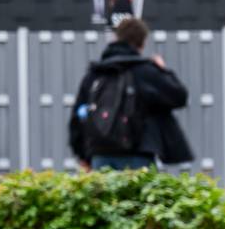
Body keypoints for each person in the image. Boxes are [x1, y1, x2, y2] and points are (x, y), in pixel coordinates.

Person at [68, 17, 194, 171]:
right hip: (139, 153)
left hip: (100, 152)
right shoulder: (146, 71)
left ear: (117, 37)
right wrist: (162, 70)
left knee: (104, 195)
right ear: (142, 43)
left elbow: (77, 119)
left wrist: (83, 155)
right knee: (138, 194)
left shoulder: (95, 74)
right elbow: (179, 96)